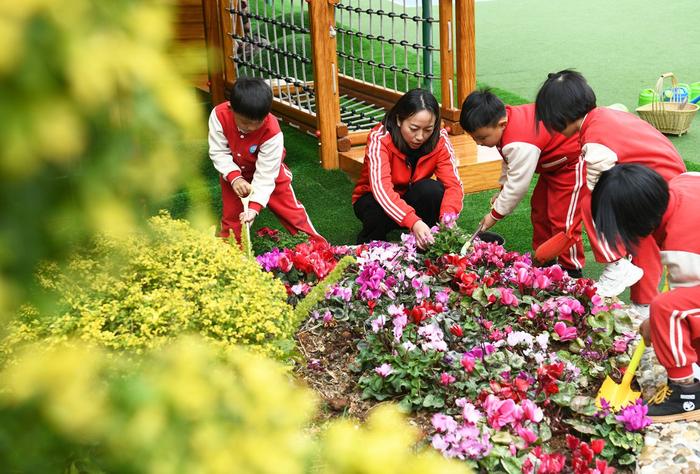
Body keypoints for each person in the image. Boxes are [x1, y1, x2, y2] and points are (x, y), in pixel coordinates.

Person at [535, 70, 686, 317]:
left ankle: (616, 265)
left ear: (558, 117)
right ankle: (643, 307)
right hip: (670, 185)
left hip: (656, 187)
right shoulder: (604, 116)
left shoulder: (595, 139)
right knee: (643, 238)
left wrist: (580, 225)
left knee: (591, 201)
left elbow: (596, 189)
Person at [592, 164, 700, 422]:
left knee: (666, 308)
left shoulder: (682, 247)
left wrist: (656, 322)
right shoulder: (681, 184)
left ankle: (687, 393)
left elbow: (682, 307)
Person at [460, 89, 583, 277]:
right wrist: (502, 191)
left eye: (482, 138)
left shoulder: (519, 142)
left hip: (571, 162)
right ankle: (545, 259)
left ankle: (571, 269)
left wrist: (494, 215)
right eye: (475, 138)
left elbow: (518, 186)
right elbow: (509, 162)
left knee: (564, 219)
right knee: (540, 208)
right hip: (552, 165)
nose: (478, 143)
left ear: (501, 124)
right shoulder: (505, 123)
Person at [208, 76, 323, 242]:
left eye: (258, 123)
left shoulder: (272, 131)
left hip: (270, 174)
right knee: (232, 221)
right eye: (245, 123)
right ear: (231, 107)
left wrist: (254, 207)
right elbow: (218, 152)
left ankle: (319, 249)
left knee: (292, 214)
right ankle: (231, 257)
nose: (251, 128)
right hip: (232, 173)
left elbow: (266, 175)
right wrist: (235, 178)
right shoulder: (219, 115)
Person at [352, 88, 464, 249]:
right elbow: (381, 190)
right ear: (399, 120)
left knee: (433, 191)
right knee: (374, 207)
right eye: (413, 128)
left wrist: (448, 219)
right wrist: (414, 222)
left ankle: (429, 240)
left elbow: (453, 185)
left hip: (411, 196)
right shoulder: (379, 138)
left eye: (428, 130)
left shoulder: (440, 139)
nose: (420, 137)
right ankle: (371, 243)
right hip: (375, 199)